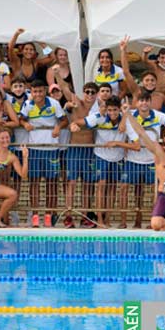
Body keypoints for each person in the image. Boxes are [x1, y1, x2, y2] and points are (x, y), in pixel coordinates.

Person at [72, 96, 129, 228]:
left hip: (118, 158)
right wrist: (73, 124)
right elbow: (80, 121)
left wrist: (125, 116)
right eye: (110, 110)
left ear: (119, 109)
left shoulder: (125, 119)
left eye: (115, 110)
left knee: (112, 188)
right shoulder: (99, 117)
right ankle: (100, 221)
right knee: (101, 185)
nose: (112, 113)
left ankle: (107, 219)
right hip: (101, 156)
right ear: (106, 109)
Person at [18, 79, 67, 228]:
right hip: (34, 149)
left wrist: (58, 127)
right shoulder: (27, 104)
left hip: (52, 149)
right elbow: (21, 119)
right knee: (34, 183)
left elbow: (64, 120)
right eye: (35, 91)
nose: (37, 94)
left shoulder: (54, 103)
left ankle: (48, 215)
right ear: (31, 92)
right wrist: (25, 123)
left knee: (52, 183)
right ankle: (35, 215)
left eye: (40, 91)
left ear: (44, 91)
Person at [119, 92, 165, 228]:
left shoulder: (157, 115)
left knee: (155, 191)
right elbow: (121, 128)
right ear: (136, 103)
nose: (144, 103)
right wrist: (125, 113)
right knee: (127, 189)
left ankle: (153, 220)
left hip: (152, 161)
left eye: (146, 100)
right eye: (141, 100)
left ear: (150, 102)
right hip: (132, 160)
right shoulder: (130, 114)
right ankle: (125, 221)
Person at [59, 79, 100, 228]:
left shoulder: (98, 108)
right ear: (84, 93)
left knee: (88, 184)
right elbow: (64, 88)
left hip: (89, 150)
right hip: (75, 149)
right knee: (72, 183)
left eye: (92, 92)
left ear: (96, 95)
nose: (89, 95)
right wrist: (57, 73)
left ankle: (84, 215)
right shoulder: (76, 102)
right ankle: (68, 215)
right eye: (87, 92)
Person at [119, 37, 165, 113]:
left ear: (156, 83)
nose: (150, 82)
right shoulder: (137, 92)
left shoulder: (160, 96)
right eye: (147, 80)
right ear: (142, 82)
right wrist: (123, 50)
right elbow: (126, 71)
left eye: (152, 80)